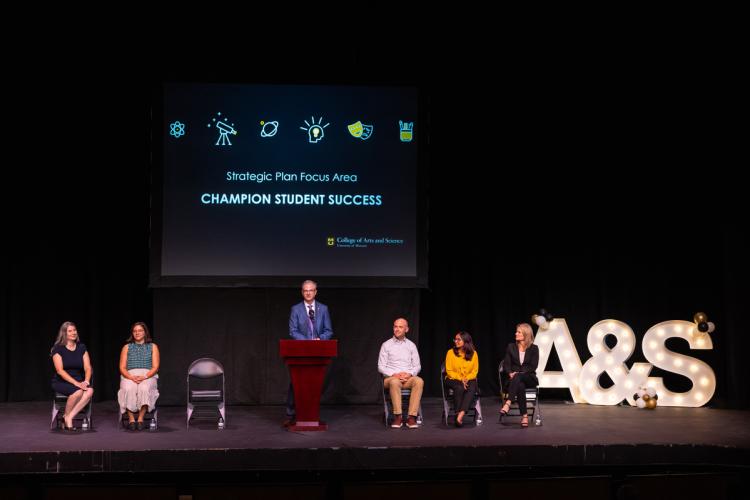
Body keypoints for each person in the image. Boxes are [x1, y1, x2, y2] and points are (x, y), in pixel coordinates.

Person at [284, 280, 334, 426]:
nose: (308, 292)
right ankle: (290, 413)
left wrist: (320, 339)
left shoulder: (323, 309)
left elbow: (328, 330)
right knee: (296, 383)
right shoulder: (296, 309)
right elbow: (292, 331)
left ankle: (311, 415)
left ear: (315, 292)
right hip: (300, 352)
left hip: (318, 353)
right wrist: (308, 341)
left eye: (311, 290)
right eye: (305, 290)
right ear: (302, 292)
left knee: (314, 385)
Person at [378, 318, 423, 429]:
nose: (397, 329)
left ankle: (411, 417)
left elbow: (417, 366)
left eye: (400, 327)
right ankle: (397, 416)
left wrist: (409, 374)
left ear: (406, 329)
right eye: (395, 326)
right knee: (394, 382)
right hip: (391, 378)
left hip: (408, 378)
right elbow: (381, 367)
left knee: (419, 381)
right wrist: (395, 374)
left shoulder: (411, 345)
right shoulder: (386, 345)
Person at [50, 321, 94, 431]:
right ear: (64, 333)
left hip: (79, 381)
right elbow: (60, 371)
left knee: (90, 391)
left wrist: (86, 381)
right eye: (70, 331)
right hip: (61, 381)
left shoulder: (81, 347)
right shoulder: (58, 349)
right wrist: (76, 383)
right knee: (78, 391)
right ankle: (68, 419)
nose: (73, 333)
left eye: (74, 330)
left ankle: (68, 416)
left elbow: (88, 367)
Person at [118, 322, 160, 431]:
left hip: (148, 375)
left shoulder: (153, 346)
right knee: (128, 388)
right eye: (135, 331)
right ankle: (131, 419)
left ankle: (141, 419)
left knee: (144, 388)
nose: (137, 333)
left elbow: (155, 367)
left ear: (145, 332)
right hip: (129, 375)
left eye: (140, 330)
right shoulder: (126, 347)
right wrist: (131, 377)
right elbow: (122, 367)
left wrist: (145, 376)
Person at [499, 322, 539, 428]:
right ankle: (524, 416)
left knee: (519, 377)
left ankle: (508, 402)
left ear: (525, 334)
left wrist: (519, 373)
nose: (515, 333)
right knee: (520, 385)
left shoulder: (534, 348)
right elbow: (507, 364)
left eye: (518, 332)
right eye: (516, 331)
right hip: (513, 379)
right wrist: (510, 373)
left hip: (529, 377)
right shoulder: (511, 347)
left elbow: (533, 366)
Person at [444, 331, 479, 427]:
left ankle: (460, 414)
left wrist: (466, 378)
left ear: (466, 341)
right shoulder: (450, 353)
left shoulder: (474, 354)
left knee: (472, 387)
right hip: (452, 379)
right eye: (455, 339)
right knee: (459, 387)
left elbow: (474, 371)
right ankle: (457, 413)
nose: (456, 341)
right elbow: (449, 370)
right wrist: (461, 379)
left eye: (459, 339)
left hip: (469, 378)